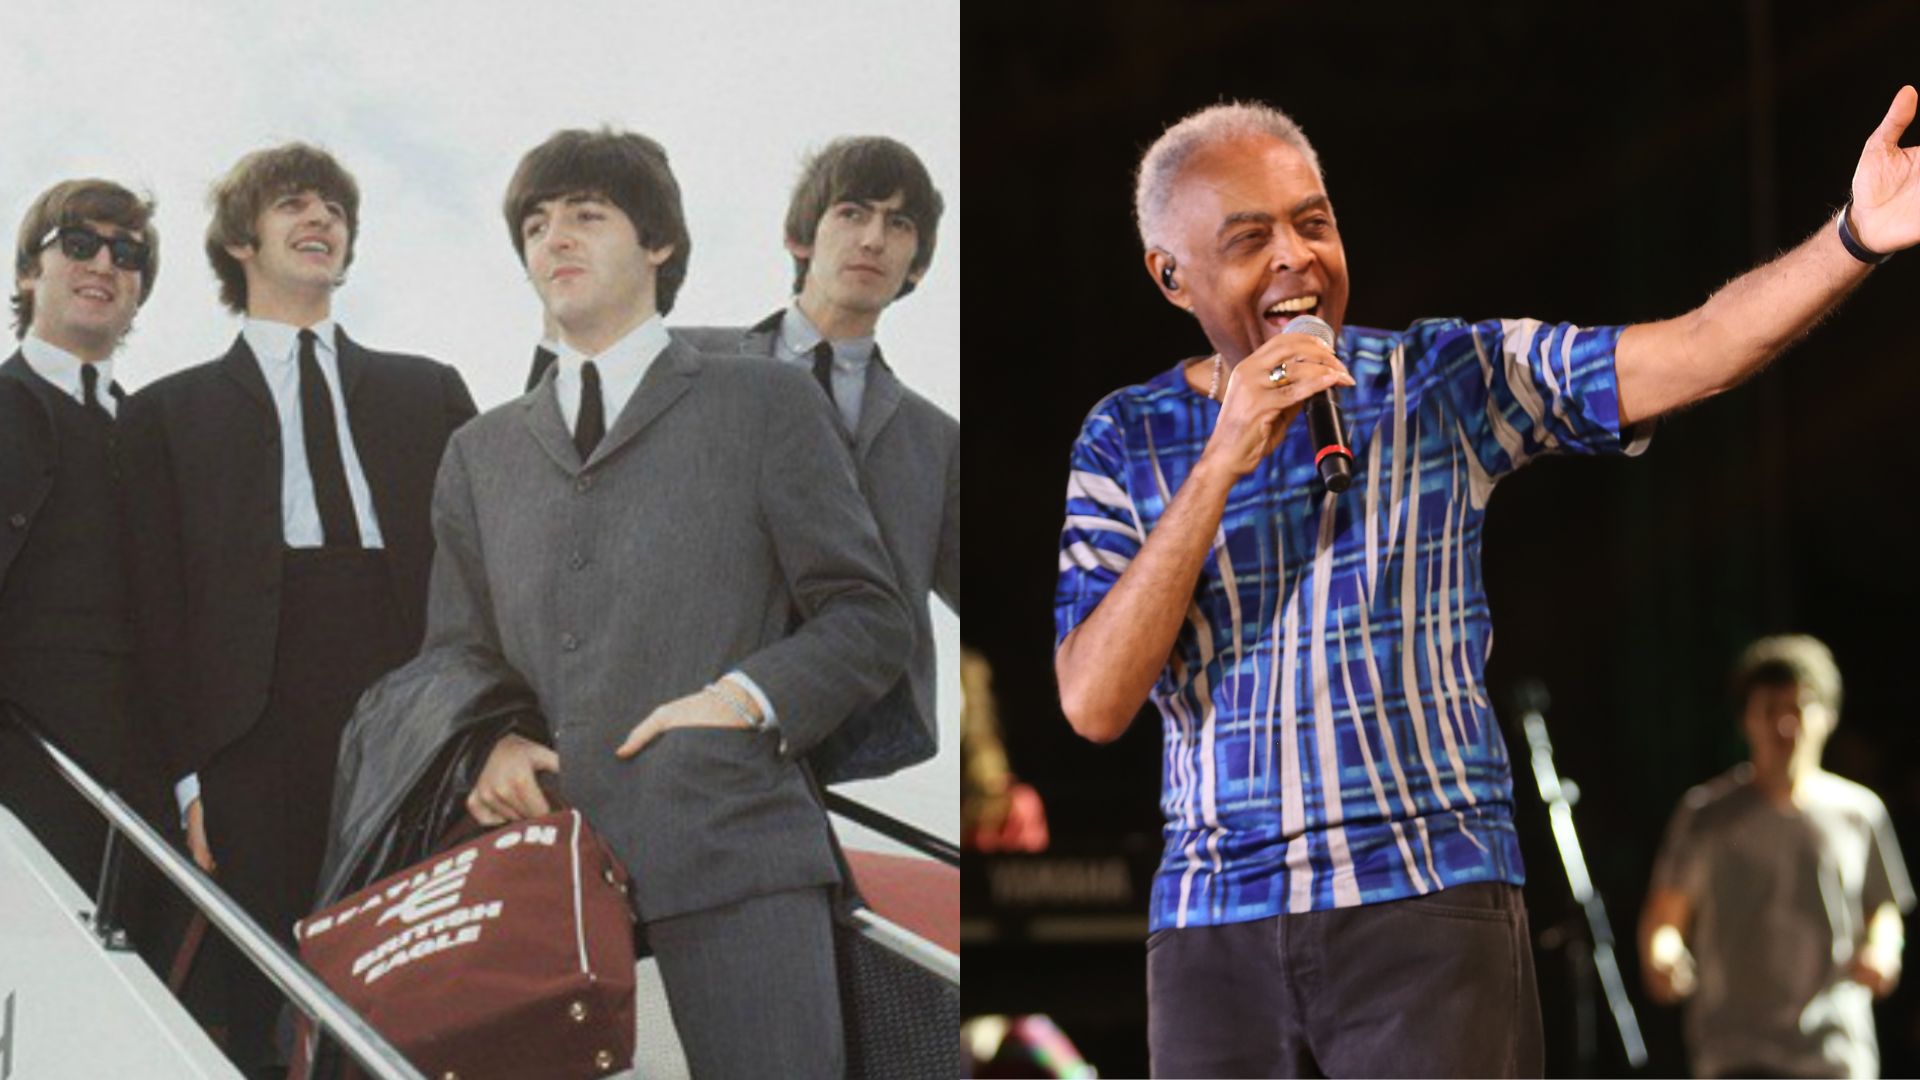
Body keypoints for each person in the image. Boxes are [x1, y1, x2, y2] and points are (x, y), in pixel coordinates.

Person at [1052, 86, 1920, 1077]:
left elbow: (1699, 348)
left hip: (1426, 908)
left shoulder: (1440, 379)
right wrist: (1223, 459)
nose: (1296, 257)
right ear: (1172, 275)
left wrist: (1856, 237)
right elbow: (1094, 701)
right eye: (1252, 238)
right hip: (1216, 931)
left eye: (1315, 223)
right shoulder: (1126, 436)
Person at [431, 128, 911, 1078]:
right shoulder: (477, 454)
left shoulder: (768, 402)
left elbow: (869, 615)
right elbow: (455, 650)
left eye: (587, 214)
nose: (555, 237)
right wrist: (489, 744)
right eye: (536, 224)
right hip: (544, 875)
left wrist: (744, 698)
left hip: (736, 854)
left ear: (658, 243)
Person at [121, 142, 476, 1075]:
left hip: (413, 709)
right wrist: (189, 778)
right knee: (270, 1002)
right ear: (240, 242)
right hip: (252, 732)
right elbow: (157, 612)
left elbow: (487, 567)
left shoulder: (429, 388)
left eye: (335, 209)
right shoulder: (164, 415)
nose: (321, 219)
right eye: (293, 205)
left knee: (422, 984)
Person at [679, 134, 958, 781]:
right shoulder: (683, 362)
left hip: (816, 736)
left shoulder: (936, 442)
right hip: (663, 689)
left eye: (899, 224)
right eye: (852, 213)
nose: (873, 240)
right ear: (800, 237)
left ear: (917, 267)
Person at [1641, 635, 1912, 1079]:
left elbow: (1882, 908)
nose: (1785, 725)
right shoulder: (1706, 815)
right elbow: (1666, 915)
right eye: (1769, 710)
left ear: (1827, 716)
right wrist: (1663, 957)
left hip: (1834, 1049)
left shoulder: (1860, 813)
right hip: (1735, 1052)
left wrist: (1883, 952)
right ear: (1746, 719)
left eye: (1799, 708)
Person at [0, 178, 161, 893]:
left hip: (140, 794)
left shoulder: (162, 439)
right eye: (78, 243)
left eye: (127, 254)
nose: (103, 264)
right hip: (21, 773)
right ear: (28, 272)